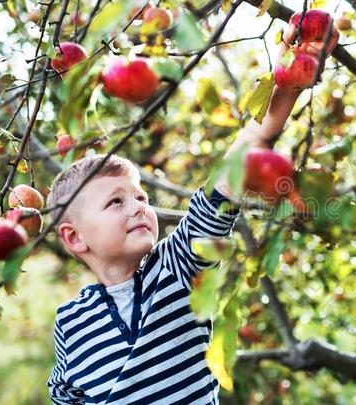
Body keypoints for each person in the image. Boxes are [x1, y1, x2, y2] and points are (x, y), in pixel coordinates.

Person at [45, 20, 335, 404]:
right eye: (116, 201)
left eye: (142, 198)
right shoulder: (71, 320)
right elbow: (66, 396)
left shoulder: (177, 266)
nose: (137, 207)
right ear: (74, 237)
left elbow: (242, 156)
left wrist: (289, 77)